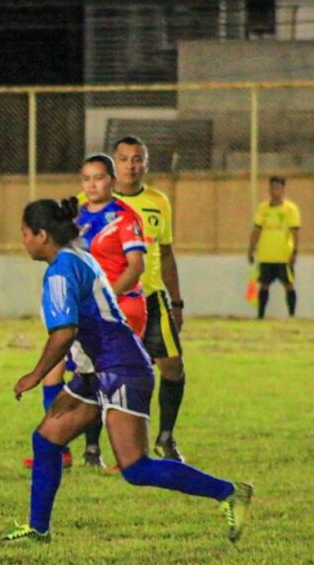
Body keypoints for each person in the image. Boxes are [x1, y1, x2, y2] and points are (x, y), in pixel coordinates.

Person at [2, 197, 253, 544]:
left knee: (136, 468)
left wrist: (34, 374)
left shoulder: (61, 269)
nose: (24, 241)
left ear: (42, 235)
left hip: (119, 367)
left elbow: (64, 333)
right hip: (98, 370)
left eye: (25, 233)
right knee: (46, 440)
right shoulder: (77, 256)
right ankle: (38, 529)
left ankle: (230, 491)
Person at [22, 153, 148, 470]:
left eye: (99, 178)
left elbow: (136, 265)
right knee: (48, 431)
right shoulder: (75, 225)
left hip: (115, 328)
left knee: (136, 467)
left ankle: (228, 491)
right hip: (89, 334)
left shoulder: (121, 218)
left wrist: (104, 297)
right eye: (86, 178)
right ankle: (69, 453)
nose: (92, 185)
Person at [113, 136, 188, 461]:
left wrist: (177, 301)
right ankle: (91, 447)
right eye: (124, 159)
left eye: (137, 159)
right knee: (98, 370)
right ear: (114, 163)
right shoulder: (93, 200)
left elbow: (166, 254)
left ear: (145, 164)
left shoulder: (158, 201)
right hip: (111, 300)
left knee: (172, 366)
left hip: (152, 297)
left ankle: (166, 437)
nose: (131, 166)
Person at [248, 175, 301, 319]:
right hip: (266, 255)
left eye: (277, 188)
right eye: (271, 188)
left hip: (283, 256)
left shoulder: (290, 209)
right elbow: (256, 230)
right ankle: (260, 315)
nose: (274, 191)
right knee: (264, 284)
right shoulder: (262, 209)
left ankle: (292, 315)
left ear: (283, 189)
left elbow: (295, 232)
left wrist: (294, 252)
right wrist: (251, 249)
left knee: (288, 285)